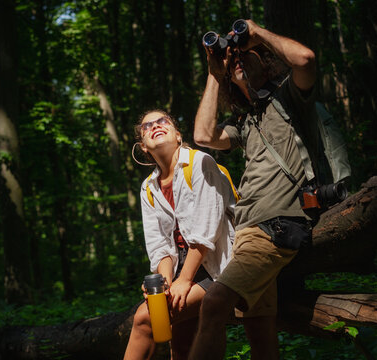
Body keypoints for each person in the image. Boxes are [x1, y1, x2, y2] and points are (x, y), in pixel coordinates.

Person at [189, 19, 316, 359]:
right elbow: (203, 136)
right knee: (259, 334)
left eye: (248, 56)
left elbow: (304, 58)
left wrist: (255, 34)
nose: (239, 60)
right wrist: (216, 73)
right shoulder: (244, 123)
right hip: (245, 233)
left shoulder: (290, 98)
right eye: (234, 62)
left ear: (267, 60)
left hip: (274, 227)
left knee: (215, 304)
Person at [123, 110, 237, 360]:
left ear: (177, 135)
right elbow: (159, 246)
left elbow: (206, 233)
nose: (155, 126)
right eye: (147, 126)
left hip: (217, 263)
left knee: (145, 318)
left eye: (162, 121)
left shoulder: (200, 162)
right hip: (179, 269)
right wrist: (165, 286)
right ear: (143, 146)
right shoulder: (148, 188)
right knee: (182, 346)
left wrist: (183, 282)